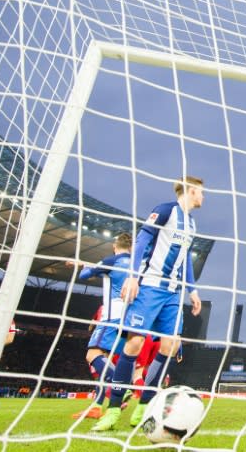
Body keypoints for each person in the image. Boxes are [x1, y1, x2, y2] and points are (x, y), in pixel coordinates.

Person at [92, 176, 204, 432]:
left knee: (171, 344)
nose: (203, 198)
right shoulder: (165, 210)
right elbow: (141, 242)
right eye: (201, 193)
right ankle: (112, 409)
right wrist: (133, 276)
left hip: (173, 293)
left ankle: (144, 404)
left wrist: (193, 290)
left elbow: (185, 259)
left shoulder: (192, 224)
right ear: (191, 191)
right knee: (134, 343)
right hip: (150, 287)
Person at [69, 233, 132, 419]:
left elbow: (84, 275)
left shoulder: (110, 260)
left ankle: (120, 385)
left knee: (92, 355)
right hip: (130, 318)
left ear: (115, 245)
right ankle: (96, 406)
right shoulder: (138, 265)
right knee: (104, 360)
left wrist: (85, 265)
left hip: (111, 316)